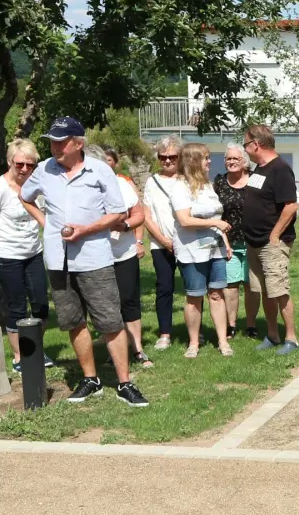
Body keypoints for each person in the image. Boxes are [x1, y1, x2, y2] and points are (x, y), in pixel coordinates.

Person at [21, 117, 149, 407]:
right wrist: (46, 222)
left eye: (61, 142)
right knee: (73, 321)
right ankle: (91, 379)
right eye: (52, 142)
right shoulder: (44, 170)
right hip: (58, 260)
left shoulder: (100, 170)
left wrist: (86, 230)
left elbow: (118, 213)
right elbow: (25, 196)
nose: (55, 147)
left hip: (94, 257)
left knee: (110, 321)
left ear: (78, 143)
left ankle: (125, 383)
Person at [0, 138, 54, 372]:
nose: (24, 169)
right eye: (19, 164)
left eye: (30, 165)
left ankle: (36, 349)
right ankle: (20, 356)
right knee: (17, 307)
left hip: (33, 251)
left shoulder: (36, 186)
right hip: (7, 255)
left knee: (41, 304)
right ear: (10, 161)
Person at [87, 146, 152, 370]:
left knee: (129, 301)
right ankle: (113, 351)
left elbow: (139, 215)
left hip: (124, 253)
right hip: (95, 256)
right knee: (106, 305)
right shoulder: (81, 188)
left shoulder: (121, 184)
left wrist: (124, 226)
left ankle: (137, 349)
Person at [167, 142, 233, 357]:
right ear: (193, 161)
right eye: (206, 157)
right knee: (194, 297)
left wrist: (226, 242)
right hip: (192, 251)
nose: (209, 161)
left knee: (217, 294)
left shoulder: (207, 185)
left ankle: (223, 341)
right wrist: (216, 224)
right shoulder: (179, 187)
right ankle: (194, 343)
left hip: (215, 249)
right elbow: (185, 220)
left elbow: (216, 217)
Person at [241, 125, 299, 354]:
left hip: (271, 243)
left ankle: (291, 338)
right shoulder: (260, 169)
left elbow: (290, 206)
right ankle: (273, 334)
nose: (245, 149)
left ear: (256, 144)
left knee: (279, 290)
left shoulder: (280, 169)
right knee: (265, 290)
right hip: (254, 242)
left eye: (246, 144)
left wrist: (274, 235)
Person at [141, 136, 183, 352]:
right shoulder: (151, 182)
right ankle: (165, 333)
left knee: (194, 288)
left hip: (186, 243)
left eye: (172, 156)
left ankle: (196, 332)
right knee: (164, 288)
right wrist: (165, 241)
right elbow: (147, 216)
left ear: (180, 157)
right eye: (162, 157)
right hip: (160, 244)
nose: (167, 160)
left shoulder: (187, 179)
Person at [215, 142, 254, 339]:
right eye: (228, 158)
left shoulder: (255, 179)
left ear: (244, 161)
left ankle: (251, 325)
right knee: (231, 285)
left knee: (251, 285)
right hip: (228, 243)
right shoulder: (219, 182)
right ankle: (231, 325)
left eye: (235, 158)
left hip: (253, 242)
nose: (231, 162)